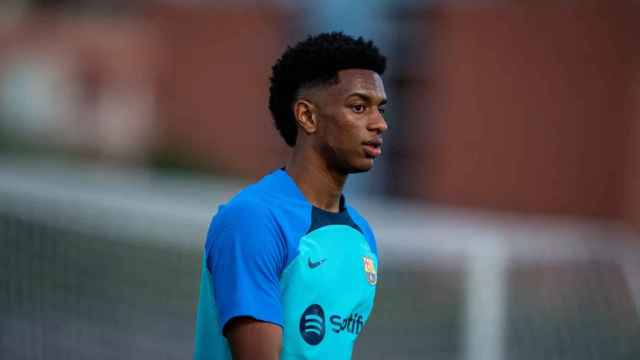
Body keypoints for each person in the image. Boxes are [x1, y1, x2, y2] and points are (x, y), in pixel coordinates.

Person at [194, 31, 388, 360]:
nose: (379, 123)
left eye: (380, 109)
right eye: (358, 107)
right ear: (307, 116)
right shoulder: (253, 221)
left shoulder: (362, 236)